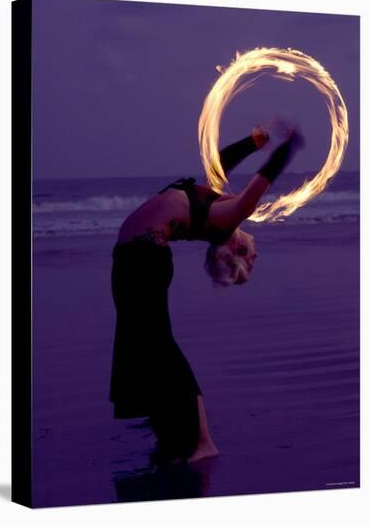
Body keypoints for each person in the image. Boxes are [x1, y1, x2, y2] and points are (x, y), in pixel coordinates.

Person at [109, 118, 305, 465]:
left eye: (255, 256)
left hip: (145, 261)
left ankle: (203, 441)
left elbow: (262, 181)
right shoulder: (215, 200)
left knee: (160, 345)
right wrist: (254, 141)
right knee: (137, 342)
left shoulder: (230, 216)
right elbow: (220, 164)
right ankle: (164, 424)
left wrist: (289, 147)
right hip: (128, 259)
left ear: (239, 250)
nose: (257, 249)